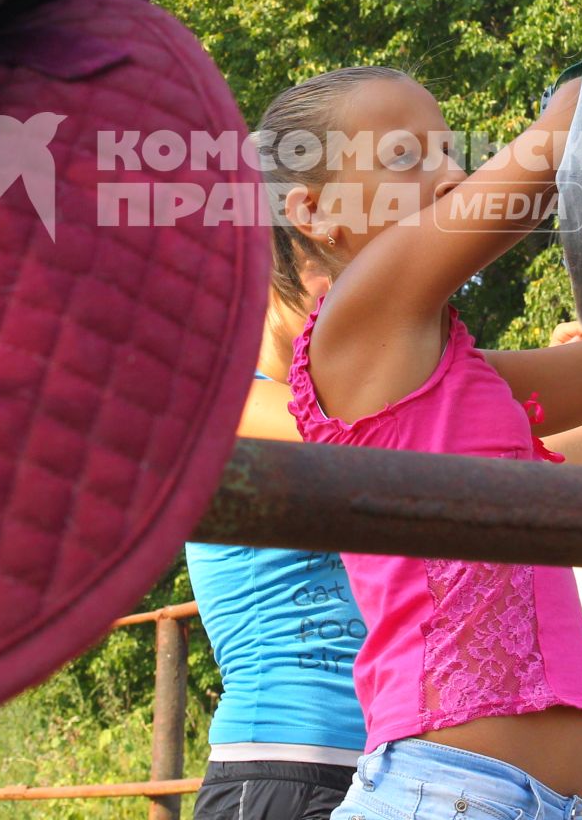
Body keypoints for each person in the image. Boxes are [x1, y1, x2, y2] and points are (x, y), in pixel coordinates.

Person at [264, 65, 582, 820]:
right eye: (406, 158)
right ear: (314, 211)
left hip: (525, 801)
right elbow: (534, 168)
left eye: (448, 151)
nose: (451, 173)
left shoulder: (451, 376)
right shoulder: (355, 322)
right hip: (441, 794)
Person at [186, 258, 369, 820]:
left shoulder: (342, 411)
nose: (354, 292)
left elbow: (513, 470)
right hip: (275, 768)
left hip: (381, 768)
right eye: (329, 271)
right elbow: (421, 440)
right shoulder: (230, 403)